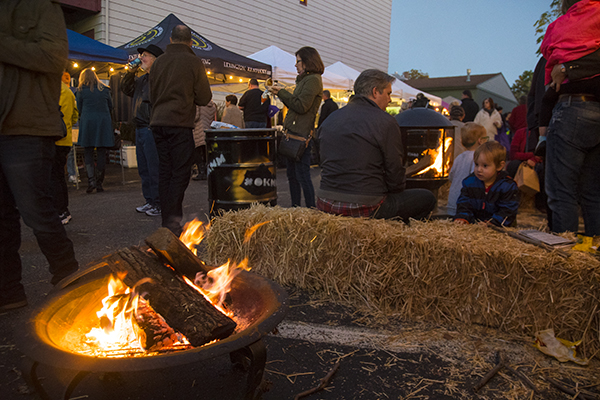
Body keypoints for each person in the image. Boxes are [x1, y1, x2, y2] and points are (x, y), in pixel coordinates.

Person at [0, 0, 79, 311]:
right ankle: (9, 292)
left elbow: (53, 56)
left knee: (38, 213)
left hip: (28, 126)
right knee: (1, 218)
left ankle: (71, 282)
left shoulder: (41, 7)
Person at [316, 69, 436, 221]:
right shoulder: (385, 122)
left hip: (325, 201)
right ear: (375, 92)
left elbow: (322, 161)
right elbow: (396, 181)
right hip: (366, 205)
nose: (390, 100)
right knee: (427, 198)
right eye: (388, 93)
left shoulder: (330, 120)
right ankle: (398, 239)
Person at [540, 0, 600, 239]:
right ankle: (594, 257)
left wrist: (566, 67)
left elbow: (548, 55)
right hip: (597, 109)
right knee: (592, 193)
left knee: (561, 191)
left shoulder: (558, 26)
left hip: (572, 108)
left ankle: (564, 261)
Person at [149, 25, 212, 236]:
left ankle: (167, 222)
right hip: (179, 123)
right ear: (190, 42)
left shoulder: (158, 62)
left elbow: (151, 94)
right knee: (180, 173)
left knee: (165, 171)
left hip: (158, 122)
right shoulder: (193, 62)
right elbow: (204, 97)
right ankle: (172, 224)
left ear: (170, 39)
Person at [268, 47, 324, 208]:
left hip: (301, 136)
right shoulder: (305, 80)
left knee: (302, 175)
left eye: (298, 61)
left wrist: (281, 93)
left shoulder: (313, 80)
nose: (295, 65)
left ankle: (309, 210)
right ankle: (295, 209)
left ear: (307, 62)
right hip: (294, 134)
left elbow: (301, 106)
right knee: (293, 175)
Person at [121, 44, 164, 217]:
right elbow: (126, 89)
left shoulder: (158, 78)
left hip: (150, 127)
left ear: (155, 59)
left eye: (145, 55)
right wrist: (130, 72)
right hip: (140, 127)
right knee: (144, 168)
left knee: (154, 168)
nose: (141, 58)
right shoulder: (142, 79)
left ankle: (158, 203)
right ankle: (150, 201)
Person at [454, 141, 520, 227]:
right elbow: (464, 203)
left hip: (498, 229)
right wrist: (462, 217)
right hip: (475, 226)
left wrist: (493, 223)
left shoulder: (507, 186)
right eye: (477, 164)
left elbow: (508, 210)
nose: (479, 169)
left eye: (485, 166)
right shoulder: (469, 182)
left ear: (499, 166)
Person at [76, 68, 114, 193]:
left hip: (88, 122)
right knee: (102, 152)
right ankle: (99, 183)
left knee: (88, 151)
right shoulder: (105, 90)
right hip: (103, 122)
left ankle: (91, 181)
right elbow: (111, 106)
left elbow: (79, 108)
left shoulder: (81, 90)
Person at [447, 123, 488, 216]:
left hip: (451, 205)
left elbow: (451, 176)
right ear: (480, 141)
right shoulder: (477, 159)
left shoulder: (459, 157)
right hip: (465, 208)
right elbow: (475, 180)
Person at [54, 74, 79, 224]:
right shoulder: (68, 91)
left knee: (54, 178)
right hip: (65, 138)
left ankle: (61, 210)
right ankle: (62, 209)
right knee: (58, 177)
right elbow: (75, 115)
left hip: (55, 138)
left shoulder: (56, 91)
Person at [506, 127, 546, 213]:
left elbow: (544, 155)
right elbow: (513, 155)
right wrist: (530, 157)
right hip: (522, 162)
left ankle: (541, 203)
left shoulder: (546, 135)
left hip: (538, 163)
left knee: (544, 169)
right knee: (513, 165)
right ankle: (511, 199)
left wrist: (535, 160)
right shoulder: (521, 132)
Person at [191, 100, 217, 181]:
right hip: (208, 130)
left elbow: (196, 116)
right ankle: (206, 172)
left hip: (199, 129)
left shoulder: (198, 104)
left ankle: (200, 172)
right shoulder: (213, 105)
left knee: (198, 152)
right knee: (206, 153)